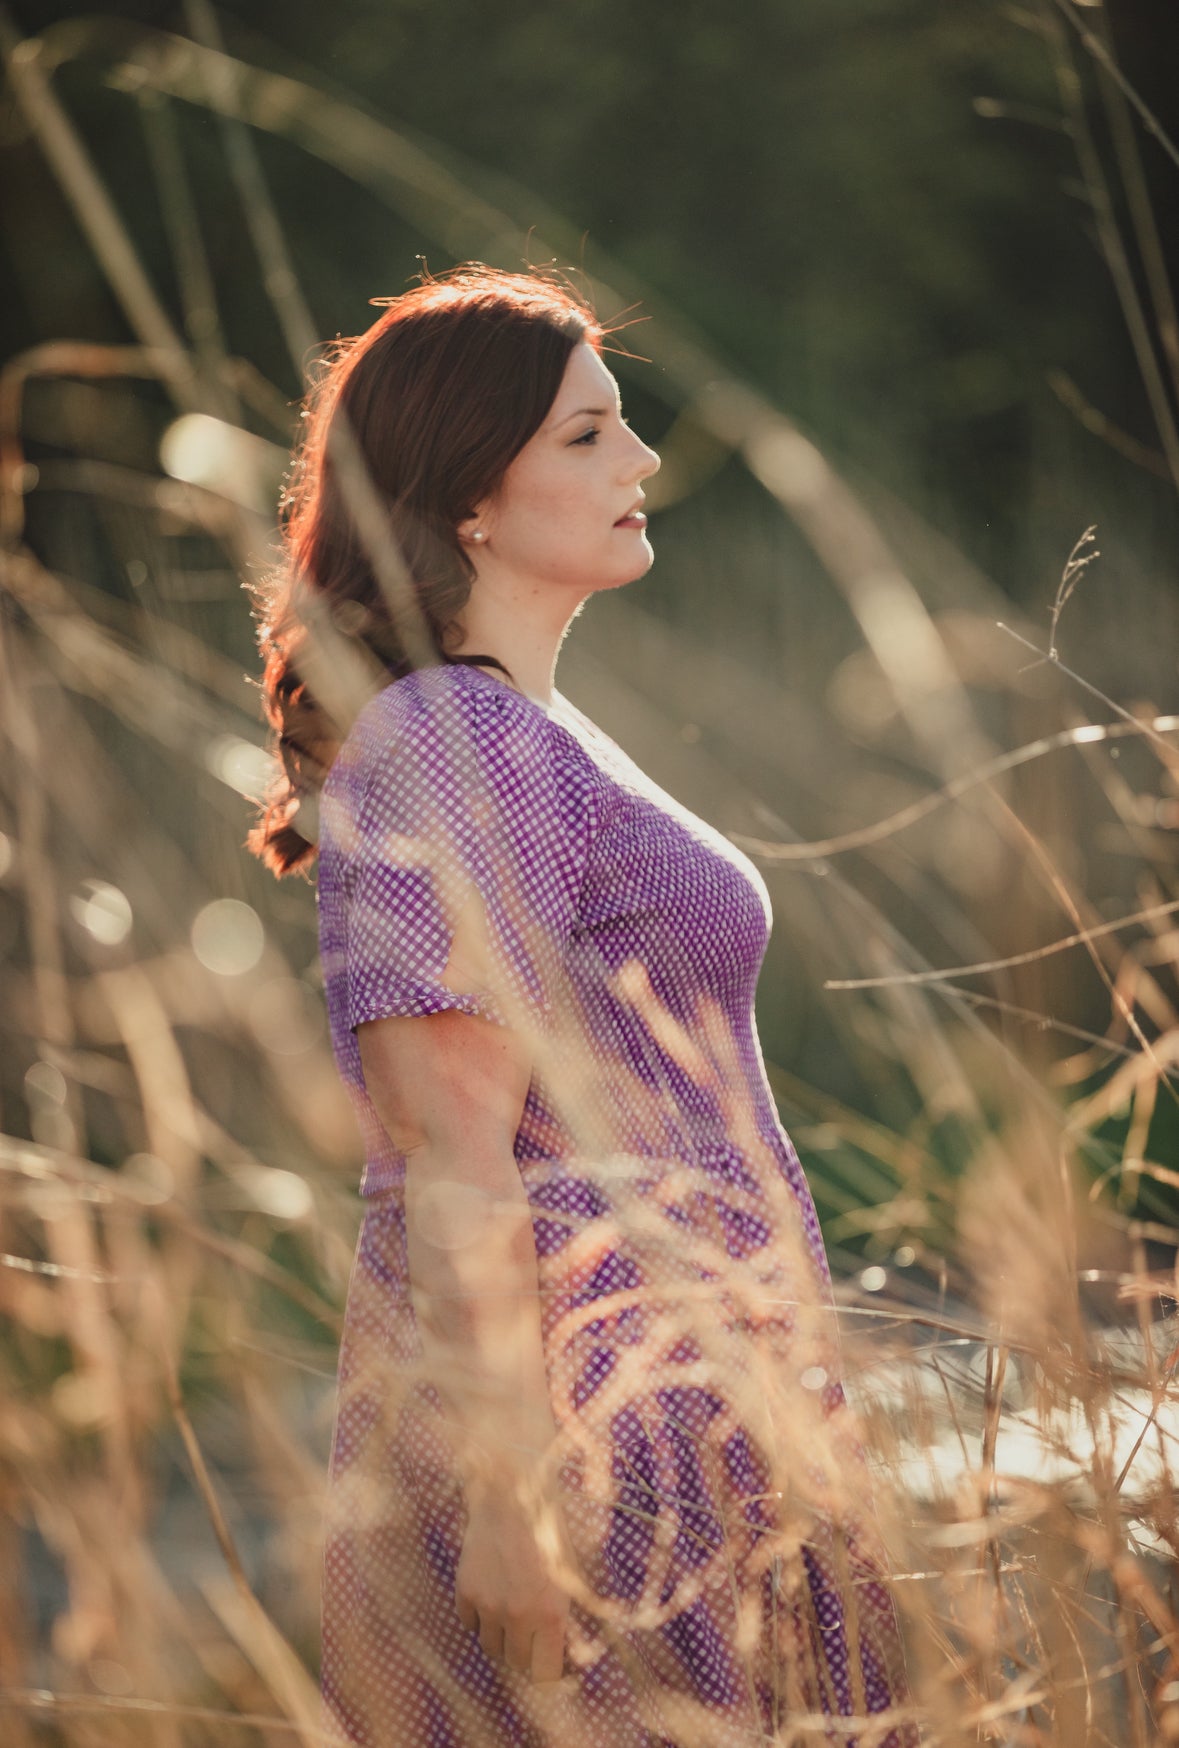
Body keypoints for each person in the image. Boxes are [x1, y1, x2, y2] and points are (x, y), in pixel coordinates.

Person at [248, 264, 915, 1747]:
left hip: (687, 1408)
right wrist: (512, 1499)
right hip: (581, 1431)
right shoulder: (455, 733)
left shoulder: (534, 729)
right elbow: (456, 1156)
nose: (644, 461)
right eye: (587, 435)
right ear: (468, 493)